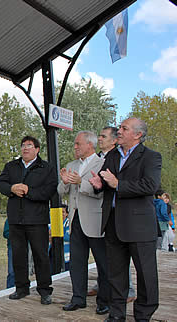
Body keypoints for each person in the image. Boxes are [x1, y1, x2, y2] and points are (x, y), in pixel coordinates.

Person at [89, 117, 161, 322]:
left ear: (137, 134)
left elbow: (150, 186)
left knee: (146, 275)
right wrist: (98, 185)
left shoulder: (151, 157)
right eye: (120, 127)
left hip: (139, 227)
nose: (119, 131)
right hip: (113, 225)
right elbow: (106, 185)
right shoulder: (112, 156)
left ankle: (143, 316)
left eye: (124, 128)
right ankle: (116, 314)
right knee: (116, 276)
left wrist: (118, 184)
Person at [0, 136, 57, 305]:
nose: (25, 148)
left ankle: (45, 290)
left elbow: (49, 190)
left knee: (41, 256)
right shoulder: (11, 166)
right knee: (18, 256)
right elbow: (1, 184)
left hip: (37, 220)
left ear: (37, 149)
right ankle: (21, 288)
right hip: (16, 220)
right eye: (23, 145)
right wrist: (11, 188)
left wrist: (28, 191)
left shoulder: (46, 168)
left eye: (29, 146)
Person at [58, 131, 109, 315]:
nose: (75, 147)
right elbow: (61, 190)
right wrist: (64, 182)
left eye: (78, 144)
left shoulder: (103, 163)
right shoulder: (71, 165)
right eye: (75, 144)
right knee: (77, 262)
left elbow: (103, 191)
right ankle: (78, 298)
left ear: (90, 145)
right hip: (75, 220)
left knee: (103, 263)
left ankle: (104, 301)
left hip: (96, 220)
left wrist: (82, 182)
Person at [89, 126, 136, 303]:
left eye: (103, 136)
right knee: (106, 254)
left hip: (123, 212)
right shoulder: (101, 158)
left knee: (122, 255)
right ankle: (103, 284)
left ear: (114, 140)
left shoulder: (120, 157)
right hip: (102, 212)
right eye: (99, 136)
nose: (99, 139)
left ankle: (129, 289)